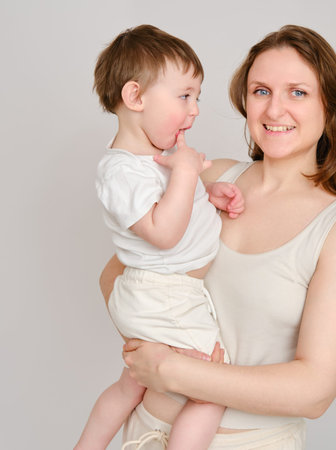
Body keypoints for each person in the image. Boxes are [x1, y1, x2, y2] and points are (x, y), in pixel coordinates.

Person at [101, 24, 336, 449]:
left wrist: (172, 371)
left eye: (298, 93)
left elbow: (315, 390)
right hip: (142, 433)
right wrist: (152, 349)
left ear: (331, 105)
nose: (275, 110)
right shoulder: (208, 177)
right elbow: (116, 277)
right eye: (261, 91)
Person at [74, 25, 244, 450]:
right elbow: (164, 233)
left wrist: (207, 197)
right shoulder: (118, 170)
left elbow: (171, 209)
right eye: (185, 96)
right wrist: (187, 172)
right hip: (164, 295)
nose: (196, 110)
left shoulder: (149, 162)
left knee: (132, 386)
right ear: (135, 98)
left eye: (197, 97)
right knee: (211, 390)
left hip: (163, 294)